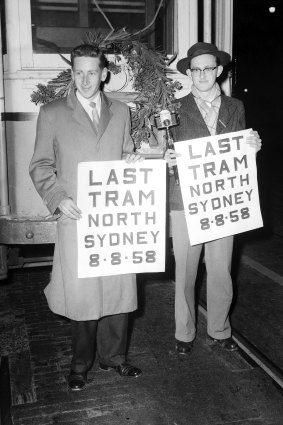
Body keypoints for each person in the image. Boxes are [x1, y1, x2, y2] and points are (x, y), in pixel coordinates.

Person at [29, 44, 142, 391]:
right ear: (72, 73)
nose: (85, 79)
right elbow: (40, 165)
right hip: (76, 217)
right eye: (78, 72)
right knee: (82, 296)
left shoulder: (121, 112)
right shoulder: (52, 113)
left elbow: (126, 154)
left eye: (92, 72)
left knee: (117, 289)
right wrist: (59, 199)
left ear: (104, 73)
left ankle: (115, 358)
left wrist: (133, 163)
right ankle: (80, 365)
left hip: (114, 221)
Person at [166, 42, 262, 354]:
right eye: (197, 69)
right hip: (184, 202)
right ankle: (184, 333)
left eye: (209, 68)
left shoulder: (235, 107)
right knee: (186, 272)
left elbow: (238, 155)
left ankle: (220, 331)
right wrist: (166, 158)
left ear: (219, 71)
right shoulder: (176, 108)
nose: (203, 74)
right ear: (189, 74)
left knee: (221, 270)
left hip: (223, 201)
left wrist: (252, 146)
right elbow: (164, 149)